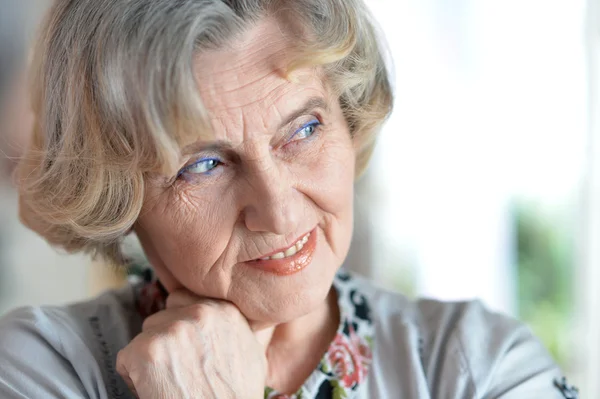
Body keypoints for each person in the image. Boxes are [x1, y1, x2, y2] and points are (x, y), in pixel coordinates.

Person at [0, 0, 578, 398]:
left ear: (349, 118)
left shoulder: (477, 367)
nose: (277, 210)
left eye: (302, 131)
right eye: (203, 165)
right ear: (118, 193)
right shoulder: (44, 371)